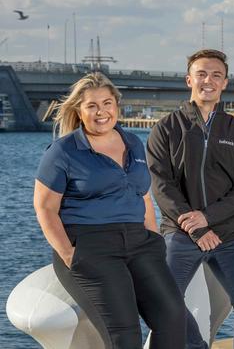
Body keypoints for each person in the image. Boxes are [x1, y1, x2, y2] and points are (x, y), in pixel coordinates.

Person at [33, 72, 186, 349]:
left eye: (107, 103)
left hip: (140, 244)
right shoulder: (63, 151)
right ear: (79, 111)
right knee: (124, 335)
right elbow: (44, 208)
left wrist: (153, 240)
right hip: (91, 246)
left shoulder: (133, 143)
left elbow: (143, 196)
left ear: (116, 106)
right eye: (92, 105)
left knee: (173, 319)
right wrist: (70, 255)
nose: (101, 112)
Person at [147, 49, 234, 349]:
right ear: (189, 80)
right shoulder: (166, 129)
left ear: (225, 83)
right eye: (201, 74)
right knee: (165, 301)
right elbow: (161, 185)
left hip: (230, 234)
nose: (208, 81)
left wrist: (208, 218)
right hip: (182, 233)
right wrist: (195, 226)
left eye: (216, 75)